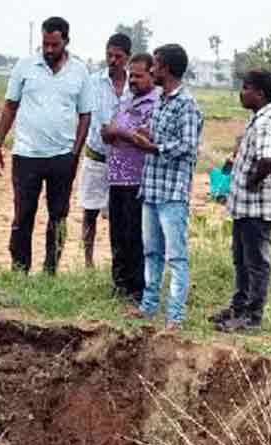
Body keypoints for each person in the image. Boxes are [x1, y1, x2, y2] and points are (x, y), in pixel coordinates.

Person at [0, 17, 93, 275]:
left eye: (54, 45)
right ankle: (19, 270)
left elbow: (85, 115)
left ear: (66, 42)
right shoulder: (25, 67)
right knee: (23, 215)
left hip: (62, 157)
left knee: (58, 217)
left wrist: (75, 153)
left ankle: (50, 271)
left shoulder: (80, 71)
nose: (48, 50)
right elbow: (10, 107)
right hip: (26, 156)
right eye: (45, 44)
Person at [125, 43, 204, 330]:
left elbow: (188, 146)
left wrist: (155, 146)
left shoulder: (187, 105)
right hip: (153, 188)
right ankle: (149, 306)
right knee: (152, 252)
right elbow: (162, 138)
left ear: (166, 69)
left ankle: (175, 316)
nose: (152, 69)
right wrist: (149, 135)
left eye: (155, 65)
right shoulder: (161, 100)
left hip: (172, 192)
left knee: (176, 256)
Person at [209, 69, 271, 333]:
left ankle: (252, 316)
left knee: (255, 263)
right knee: (241, 260)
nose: (242, 93)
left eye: (246, 88)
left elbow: (267, 160)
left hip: (256, 206)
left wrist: (251, 182)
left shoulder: (266, 122)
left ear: (260, 93)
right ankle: (238, 308)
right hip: (245, 207)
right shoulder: (259, 118)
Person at [103, 52, 160, 302]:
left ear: (152, 75)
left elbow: (148, 139)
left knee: (134, 236)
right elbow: (111, 128)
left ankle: (137, 290)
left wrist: (119, 131)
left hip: (137, 179)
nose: (133, 80)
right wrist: (111, 131)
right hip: (116, 178)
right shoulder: (127, 100)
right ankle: (120, 285)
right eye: (131, 76)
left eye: (138, 76)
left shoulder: (155, 104)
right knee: (117, 233)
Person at [79, 33, 131, 269]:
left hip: (124, 161)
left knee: (119, 216)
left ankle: (116, 262)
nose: (112, 60)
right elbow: (88, 117)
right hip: (96, 157)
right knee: (90, 212)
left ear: (127, 58)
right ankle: (88, 262)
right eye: (109, 55)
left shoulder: (136, 83)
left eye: (118, 56)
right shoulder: (92, 82)